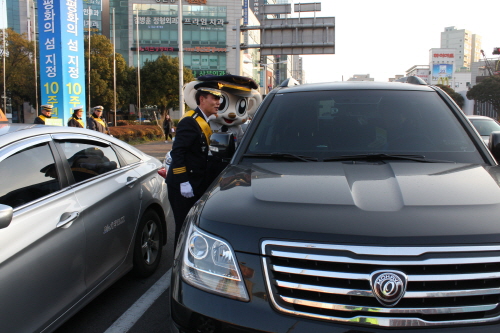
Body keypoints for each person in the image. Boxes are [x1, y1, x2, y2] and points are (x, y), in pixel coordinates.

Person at [166, 85, 221, 246]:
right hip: (183, 186)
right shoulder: (190, 121)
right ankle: (178, 264)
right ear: (202, 99)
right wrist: (183, 181)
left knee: (193, 227)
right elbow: (178, 153)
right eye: (214, 98)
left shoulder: (203, 120)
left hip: (195, 183)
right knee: (184, 228)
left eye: (219, 99)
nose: (218, 102)